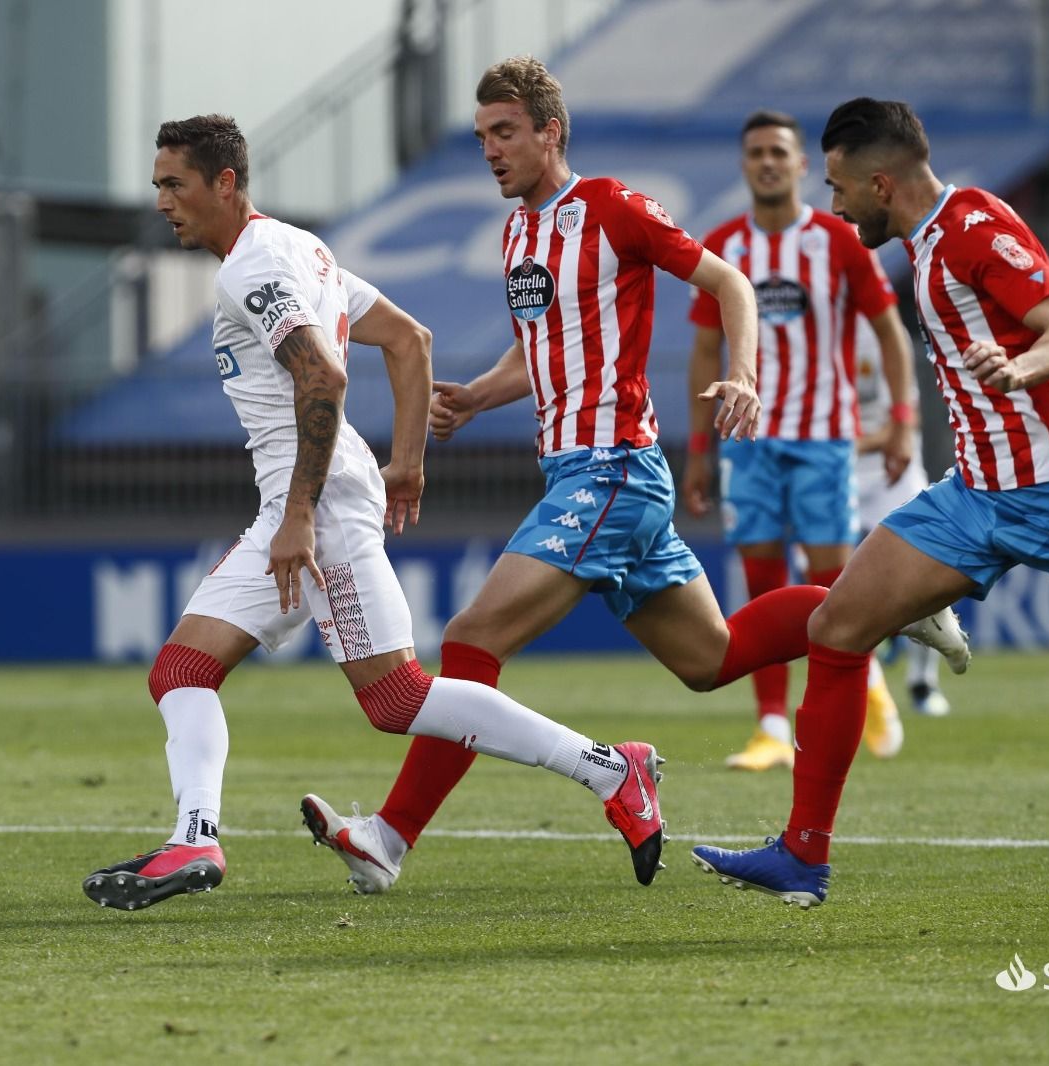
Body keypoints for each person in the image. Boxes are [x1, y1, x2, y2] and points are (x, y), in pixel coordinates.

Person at [301, 58, 969, 895]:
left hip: (613, 471)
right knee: (712, 657)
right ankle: (897, 601)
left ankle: (391, 837)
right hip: (589, 479)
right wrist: (477, 394)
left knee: (472, 640)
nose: (490, 151)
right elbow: (539, 348)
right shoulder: (518, 234)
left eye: (505, 132)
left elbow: (728, 283)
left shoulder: (613, 207)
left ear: (551, 131)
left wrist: (747, 374)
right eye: (481, 138)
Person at [83, 114, 672, 911]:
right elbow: (410, 339)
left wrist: (300, 514)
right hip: (311, 497)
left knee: (396, 698)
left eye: (174, 184)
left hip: (314, 504)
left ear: (225, 183)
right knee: (183, 670)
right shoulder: (301, 248)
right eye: (157, 185)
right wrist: (406, 465)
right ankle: (195, 836)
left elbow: (323, 377)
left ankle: (609, 768)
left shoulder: (250, 268)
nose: (162, 201)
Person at [691, 98, 1049, 908]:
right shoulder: (923, 243)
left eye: (840, 188)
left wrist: (1021, 367)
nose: (834, 204)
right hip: (974, 494)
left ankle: (895, 621)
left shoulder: (972, 228)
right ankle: (802, 857)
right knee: (838, 626)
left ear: (882, 183)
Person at [683, 109, 922, 771]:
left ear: (798, 166)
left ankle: (863, 682)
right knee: (761, 576)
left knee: (833, 579)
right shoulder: (725, 245)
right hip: (746, 435)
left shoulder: (836, 239)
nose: (767, 162)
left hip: (823, 435)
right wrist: (699, 451)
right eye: (756, 151)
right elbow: (705, 351)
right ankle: (767, 727)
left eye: (778, 152)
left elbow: (888, 331)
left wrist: (902, 418)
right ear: (744, 164)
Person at [851, 314, 951, 717]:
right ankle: (861, 675)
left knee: (932, 566)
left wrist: (843, 443)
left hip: (891, 471)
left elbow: (907, 422)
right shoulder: (805, 333)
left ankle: (923, 683)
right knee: (819, 582)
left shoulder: (883, 333)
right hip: (831, 473)